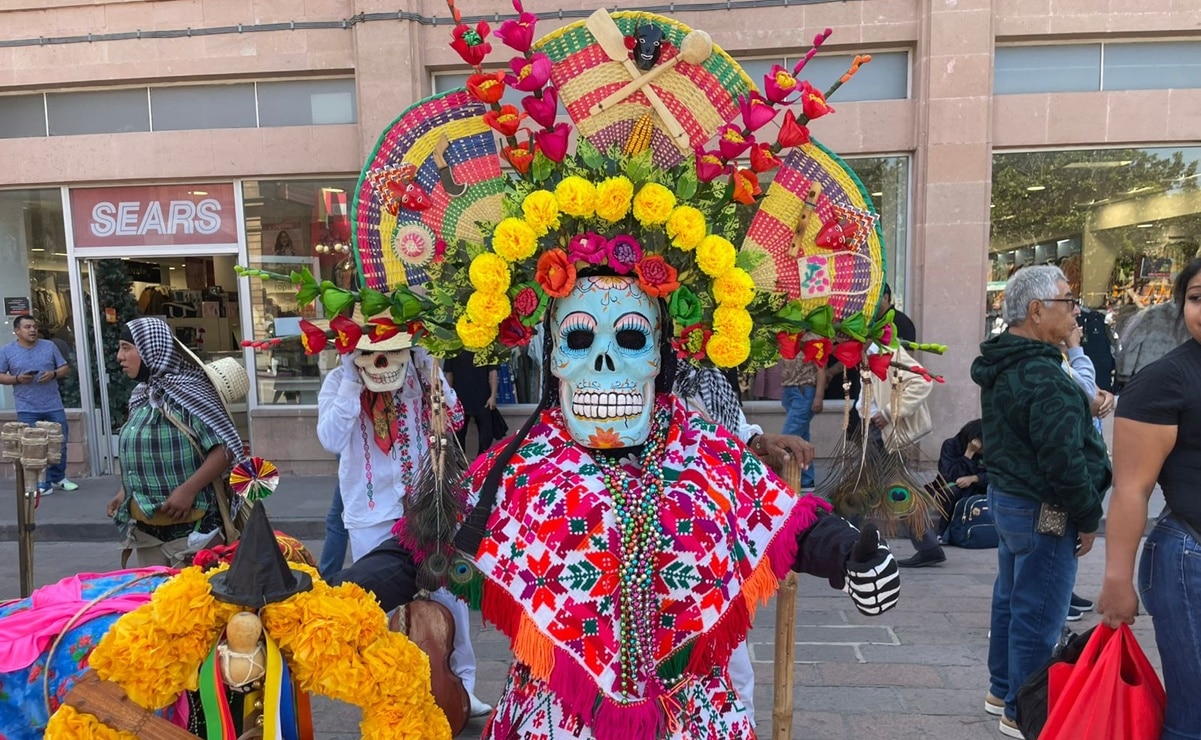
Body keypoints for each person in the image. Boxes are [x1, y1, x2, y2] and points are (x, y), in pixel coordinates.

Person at [315, 326, 491, 717]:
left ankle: (462, 687)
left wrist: (429, 364)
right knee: (378, 607)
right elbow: (330, 438)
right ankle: (389, 696)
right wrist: (349, 378)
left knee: (450, 596)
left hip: (424, 507)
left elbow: (457, 415)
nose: (383, 359)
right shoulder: (337, 382)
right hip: (370, 513)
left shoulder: (417, 375)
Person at [971, 265, 1111, 738]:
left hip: (1013, 498)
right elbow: (1063, 460)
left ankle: (1001, 690)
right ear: (1036, 311)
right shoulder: (1041, 374)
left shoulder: (1011, 360)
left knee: (1013, 599)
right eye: (1067, 301)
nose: (1075, 309)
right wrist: (1089, 515)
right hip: (1043, 506)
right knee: (1040, 610)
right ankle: (1022, 710)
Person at [1098, 258, 1201, 740]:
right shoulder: (1165, 380)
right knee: (1194, 711)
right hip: (1189, 559)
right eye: (1197, 298)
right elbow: (1131, 488)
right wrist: (1118, 580)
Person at [104, 317, 247, 566]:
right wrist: (124, 492)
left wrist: (188, 490)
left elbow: (225, 449)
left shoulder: (188, 394)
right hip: (148, 525)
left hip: (192, 525)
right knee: (157, 598)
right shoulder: (143, 395)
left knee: (192, 600)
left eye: (127, 347)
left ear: (151, 348)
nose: (119, 356)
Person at [0, 315, 76, 492]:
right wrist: (17, 378)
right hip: (27, 406)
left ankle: (59, 477)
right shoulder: (7, 350)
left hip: (53, 403)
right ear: (17, 331)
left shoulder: (49, 346)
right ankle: (44, 482)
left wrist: (53, 374)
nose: (33, 330)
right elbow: (1, 375)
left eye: (34, 326)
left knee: (59, 442)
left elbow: (65, 368)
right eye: (27, 327)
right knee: (35, 447)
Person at [778, 341, 826, 490]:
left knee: (787, 437)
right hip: (789, 389)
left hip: (804, 390)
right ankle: (806, 481)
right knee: (801, 437)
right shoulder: (788, 335)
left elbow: (821, 368)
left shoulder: (814, 338)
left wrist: (818, 396)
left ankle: (780, 480)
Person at [444, 349, 499, 458]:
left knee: (486, 435)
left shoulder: (486, 347)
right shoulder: (453, 349)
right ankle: (461, 464)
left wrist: (493, 396)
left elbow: (493, 373)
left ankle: (481, 461)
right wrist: (449, 398)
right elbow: (449, 375)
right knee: (458, 436)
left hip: (483, 399)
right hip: (459, 399)